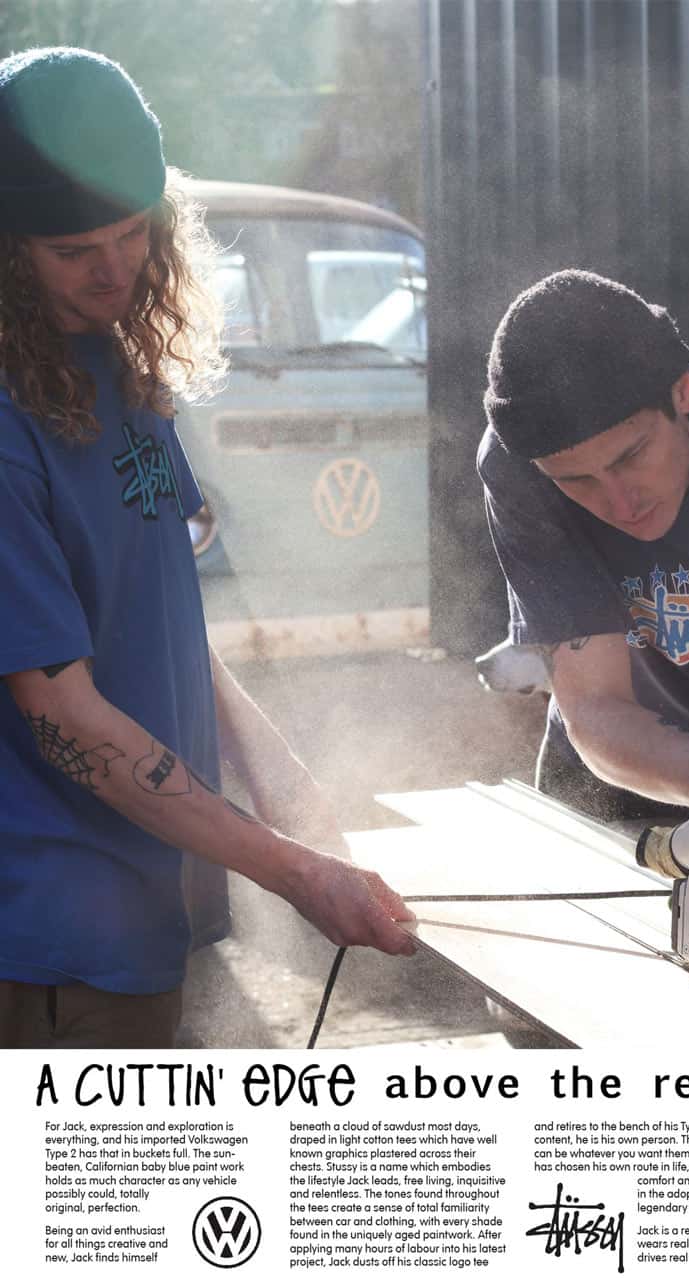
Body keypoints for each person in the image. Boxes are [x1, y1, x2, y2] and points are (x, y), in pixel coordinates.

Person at [0, 47, 415, 1051]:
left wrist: (279, 779)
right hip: (50, 933)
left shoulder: (108, 363)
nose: (113, 270)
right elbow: (60, 709)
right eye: (73, 251)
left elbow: (158, 607)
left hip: (148, 893)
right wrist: (291, 869)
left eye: (132, 233)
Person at [478, 268, 689, 825]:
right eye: (575, 480)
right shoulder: (518, 470)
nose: (619, 505)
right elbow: (596, 705)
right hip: (623, 785)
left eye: (629, 457)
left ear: (684, 390)